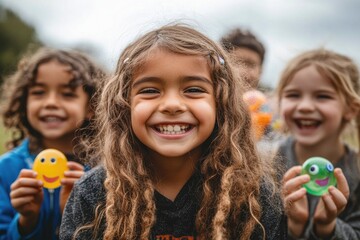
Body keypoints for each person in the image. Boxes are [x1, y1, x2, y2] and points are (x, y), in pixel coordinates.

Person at [59, 24, 286, 240]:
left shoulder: (254, 195)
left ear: (222, 104)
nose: (172, 104)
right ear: (123, 106)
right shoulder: (92, 194)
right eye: (150, 90)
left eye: (194, 90)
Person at [0, 47, 106, 240]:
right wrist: (26, 220)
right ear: (24, 102)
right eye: (39, 92)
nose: (51, 102)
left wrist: (81, 210)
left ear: (92, 106)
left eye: (67, 94)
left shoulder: (107, 170)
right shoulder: (5, 170)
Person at [275, 48, 360, 239]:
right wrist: (293, 227)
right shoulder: (263, 166)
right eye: (293, 95)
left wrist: (328, 227)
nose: (305, 106)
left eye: (323, 96)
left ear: (351, 109)